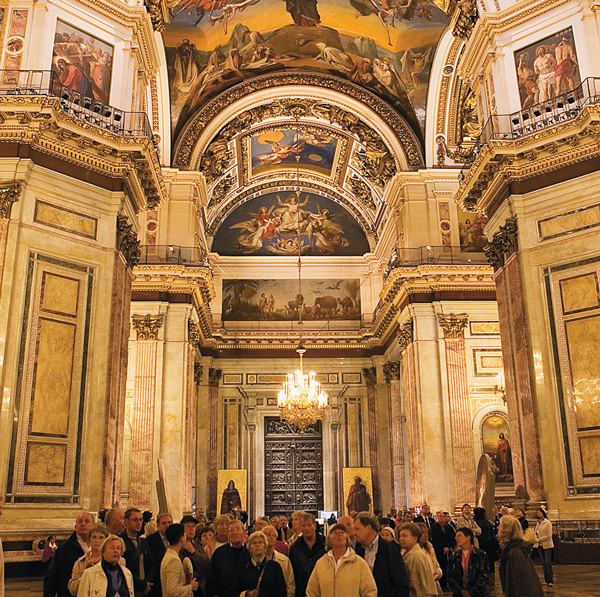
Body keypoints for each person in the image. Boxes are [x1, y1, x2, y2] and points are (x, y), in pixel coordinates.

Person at [306, 523, 377, 597]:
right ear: (328, 538)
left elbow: (370, 591)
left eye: (342, 533)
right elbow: (312, 592)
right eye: (335, 533)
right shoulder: (321, 564)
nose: (339, 535)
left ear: (347, 538)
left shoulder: (359, 563)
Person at [354, 512, 410, 597]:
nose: (355, 533)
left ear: (368, 528)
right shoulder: (359, 551)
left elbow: (401, 583)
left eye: (357, 529)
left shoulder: (389, 549)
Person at [44, 511, 94, 597]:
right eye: (80, 522)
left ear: (93, 526)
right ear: (75, 527)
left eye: (87, 521)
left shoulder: (100, 548)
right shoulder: (63, 550)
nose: (83, 524)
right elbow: (51, 578)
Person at [497, 516, 543, 597]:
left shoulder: (515, 552)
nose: (498, 527)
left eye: (500, 526)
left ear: (506, 531)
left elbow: (520, 581)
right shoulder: (512, 548)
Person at [206, 519, 251, 597]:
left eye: (237, 529)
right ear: (227, 534)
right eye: (231, 530)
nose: (235, 533)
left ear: (244, 532)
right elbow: (211, 578)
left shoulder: (250, 552)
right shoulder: (219, 553)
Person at [238, 531, 286, 597]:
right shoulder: (243, 568)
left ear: (265, 546)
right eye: (254, 543)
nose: (257, 545)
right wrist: (247, 594)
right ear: (249, 548)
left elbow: (282, 591)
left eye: (260, 542)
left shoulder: (274, 567)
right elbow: (236, 590)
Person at [289, 513, 326, 597]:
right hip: (302, 590)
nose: (306, 528)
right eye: (303, 525)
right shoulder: (295, 548)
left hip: (322, 589)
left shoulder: (325, 544)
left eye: (309, 525)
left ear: (315, 526)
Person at [446, 527, 490, 597]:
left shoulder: (480, 555)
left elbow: (483, 575)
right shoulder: (454, 556)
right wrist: (461, 590)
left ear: (468, 537)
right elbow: (450, 576)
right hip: (459, 594)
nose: (456, 538)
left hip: (478, 594)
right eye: (456, 536)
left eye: (459, 536)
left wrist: (471, 592)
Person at [397, 522, 438, 597]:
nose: (401, 539)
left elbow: (417, 585)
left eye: (405, 536)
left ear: (415, 538)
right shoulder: (406, 552)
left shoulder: (416, 555)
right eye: (400, 536)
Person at [120, 508, 154, 596]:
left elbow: (151, 565)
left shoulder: (143, 541)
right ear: (126, 521)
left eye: (140, 520)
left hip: (145, 590)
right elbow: (123, 568)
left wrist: (147, 583)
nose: (139, 523)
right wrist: (141, 585)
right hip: (128, 587)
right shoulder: (120, 541)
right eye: (135, 520)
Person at [68, 523, 108, 595]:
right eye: (94, 537)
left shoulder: (115, 560)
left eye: (101, 537)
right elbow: (73, 589)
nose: (97, 540)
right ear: (89, 540)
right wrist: (86, 576)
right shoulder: (80, 562)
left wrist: (102, 559)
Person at [161, 523, 199, 597]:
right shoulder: (173, 560)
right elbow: (172, 591)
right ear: (181, 538)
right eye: (184, 536)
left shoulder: (171, 555)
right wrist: (191, 587)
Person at [179, 515, 210, 595]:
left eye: (193, 526)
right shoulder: (178, 547)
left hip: (200, 589)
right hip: (184, 589)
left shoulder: (197, 547)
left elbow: (206, 566)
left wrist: (193, 552)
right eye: (188, 526)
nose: (191, 529)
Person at [263, 525, 295, 597]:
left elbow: (290, 584)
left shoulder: (284, 560)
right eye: (268, 535)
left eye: (274, 536)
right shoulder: (257, 558)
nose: (271, 537)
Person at [146, 513, 174, 597]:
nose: (167, 525)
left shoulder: (175, 538)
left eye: (169, 523)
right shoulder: (150, 540)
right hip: (157, 582)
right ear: (158, 525)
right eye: (164, 523)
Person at [430, 511, 456, 590]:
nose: (442, 518)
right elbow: (435, 540)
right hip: (439, 550)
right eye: (440, 517)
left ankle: (448, 582)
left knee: (449, 567)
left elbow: (452, 538)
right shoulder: (434, 527)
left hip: (448, 550)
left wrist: (450, 547)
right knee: (441, 566)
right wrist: (443, 548)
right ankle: (442, 584)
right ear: (438, 518)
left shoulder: (449, 527)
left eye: (443, 517)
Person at [415, 523, 442, 597]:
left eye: (426, 532)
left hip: (434, 585)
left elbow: (436, 565)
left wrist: (438, 573)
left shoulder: (430, 548)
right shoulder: (414, 552)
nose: (425, 535)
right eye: (422, 533)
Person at [472, 508, 496, 575]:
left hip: (480, 543)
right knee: (489, 560)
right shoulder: (487, 522)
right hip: (489, 542)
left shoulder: (474, 522)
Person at [534, 509, 553, 587]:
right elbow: (536, 531)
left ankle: (550, 580)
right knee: (543, 563)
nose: (538, 513)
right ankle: (546, 580)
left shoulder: (547, 523)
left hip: (547, 544)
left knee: (548, 562)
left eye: (540, 512)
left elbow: (549, 535)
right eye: (537, 512)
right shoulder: (538, 523)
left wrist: (540, 538)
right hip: (540, 545)